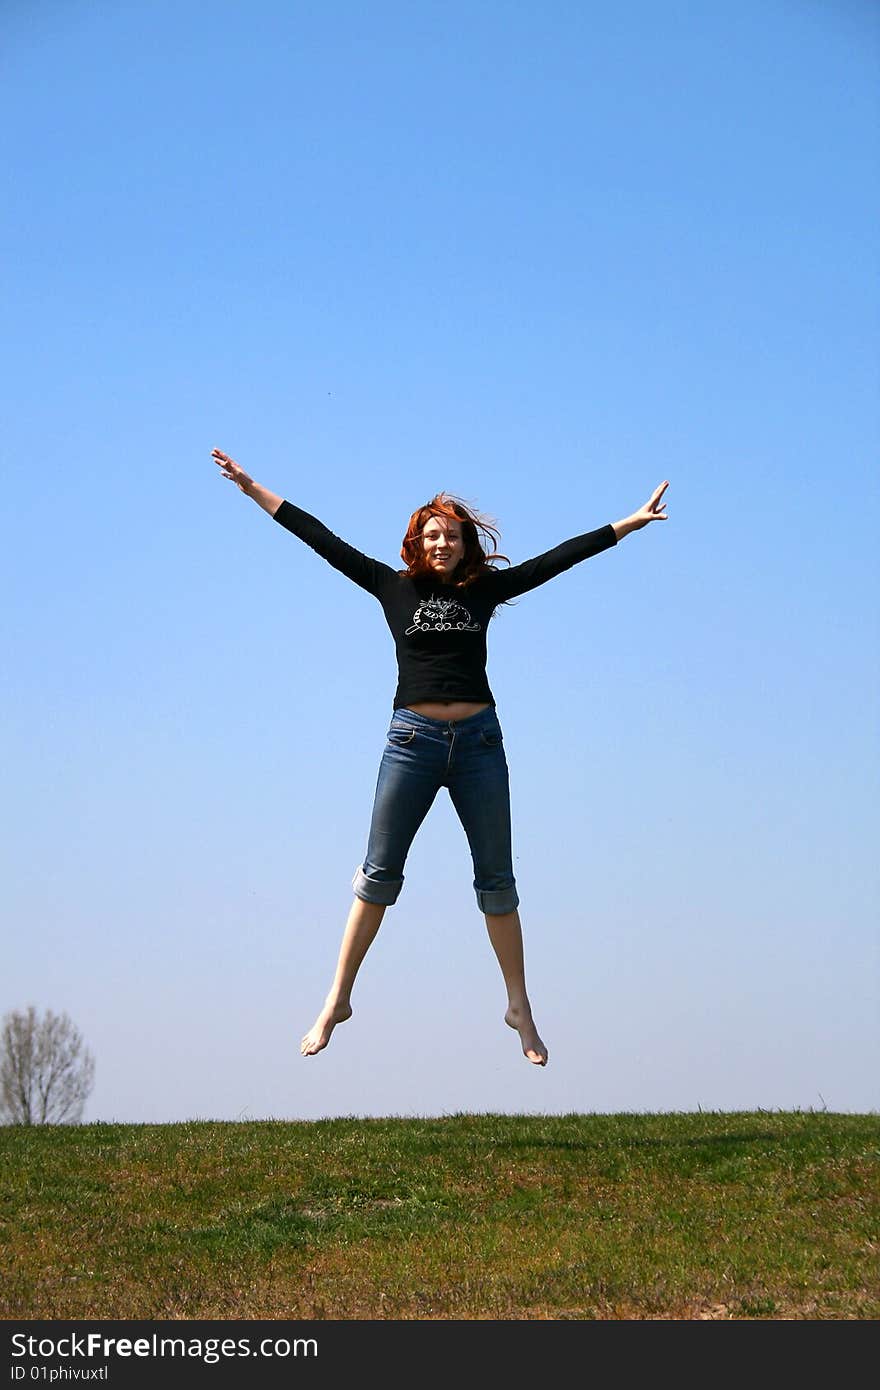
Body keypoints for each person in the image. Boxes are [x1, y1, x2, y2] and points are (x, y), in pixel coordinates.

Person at [212, 447, 668, 1066]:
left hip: (479, 744)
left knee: (498, 881)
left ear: (465, 543)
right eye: (432, 534)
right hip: (412, 744)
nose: (442, 542)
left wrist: (628, 523)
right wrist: (252, 488)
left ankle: (520, 1007)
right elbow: (319, 536)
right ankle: (338, 998)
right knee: (377, 876)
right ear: (416, 543)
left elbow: (557, 560)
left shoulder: (486, 591)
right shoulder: (390, 587)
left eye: (451, 534)